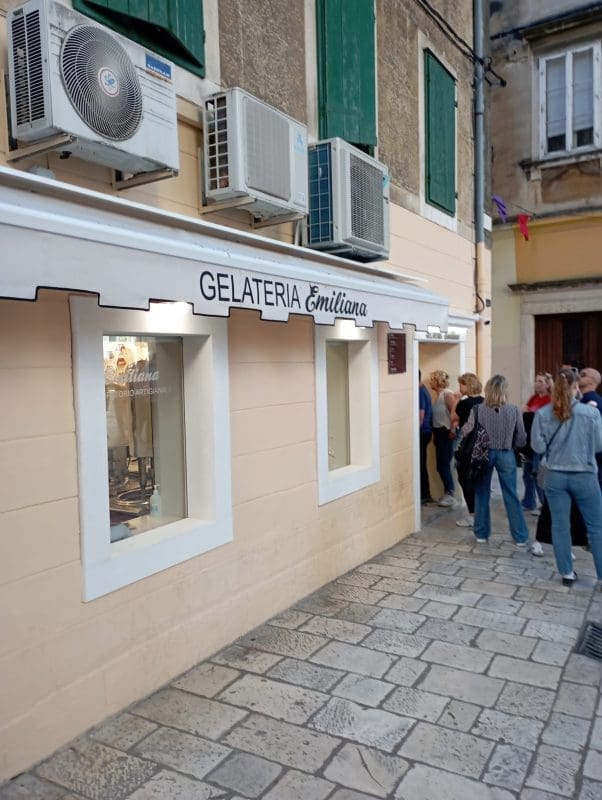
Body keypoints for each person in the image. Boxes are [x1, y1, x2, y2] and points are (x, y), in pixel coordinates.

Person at [531, 368, 602, 586]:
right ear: (575, 387)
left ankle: (567, 573)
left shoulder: (543, 413)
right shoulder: (591, 413)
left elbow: (537, 446)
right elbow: (598, 445)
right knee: (596, 527)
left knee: (560, 525)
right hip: (584, 473)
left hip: (555, 474)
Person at [461, 375, 529, 546]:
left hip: (482, 453)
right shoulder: (514, 410)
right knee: (511, 494)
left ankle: (481, 533)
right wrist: (513, 445)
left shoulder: (478, 409)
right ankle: (520, 536)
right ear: (505, 390)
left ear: (488, 390)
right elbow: (521, 437)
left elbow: (466, 431)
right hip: (506, 453)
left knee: (481, 492)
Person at [520, 372, 553, 515]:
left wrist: (529, 412)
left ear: (547, 384)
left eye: (541, 381)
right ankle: (528, 502)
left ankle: (545, 505)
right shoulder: (533, 397)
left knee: (538, 474)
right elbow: (524, 411)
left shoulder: (550, 399)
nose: (537, 384)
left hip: (540, 441)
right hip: (529, 441)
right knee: (527, 473)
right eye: (536, 381)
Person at [454, 373, 483, 527]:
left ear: (467, 385)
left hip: (467, 446)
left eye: (462, 384)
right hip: (482, 446)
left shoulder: (464, 404)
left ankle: (472, 515)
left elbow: (454, 417)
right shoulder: (484, 402)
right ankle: (479, 513)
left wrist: (457, 399)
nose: (460, 387)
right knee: (478, 481)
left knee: (465, 479)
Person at [429, 370, 458, 507]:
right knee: (441, 464)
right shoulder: (438, 395)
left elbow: (455, 413)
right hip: (438, 433)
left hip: (446, 432)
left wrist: (453, 430)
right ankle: (448, 492)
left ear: (437, 381)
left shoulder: (447, 394)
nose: (430, 382)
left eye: (432, 380)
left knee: (443, 464)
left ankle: (450, 493)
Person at [579, 367, 602, 489]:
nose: (578, 376)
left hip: (590, 457)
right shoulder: (581, 399)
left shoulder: (590, 400)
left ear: (592, 381)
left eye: (583, 374)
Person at [418, 370, 434, 504]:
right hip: (426, 431)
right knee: (421, 462)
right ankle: (425, 493)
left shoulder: (419, 392)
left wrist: (415, 433)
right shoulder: (424, 390)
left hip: (422, 432)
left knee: (420, 463)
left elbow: (420, 416)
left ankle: (424, 494)